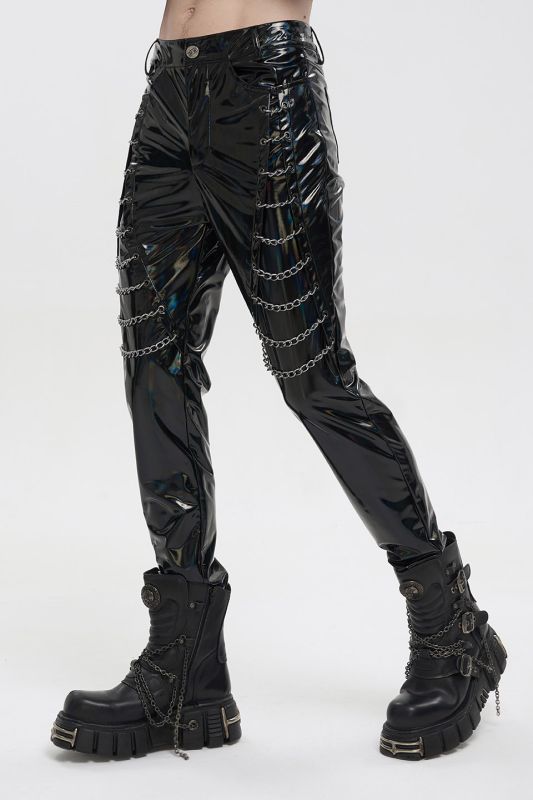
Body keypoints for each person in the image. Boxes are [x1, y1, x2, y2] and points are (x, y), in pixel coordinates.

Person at [51, 0, 507, 761]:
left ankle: (451, 629)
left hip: (265, 92)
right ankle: (186, 667)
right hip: (167, 96)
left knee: (312, 375)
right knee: (155, 369)